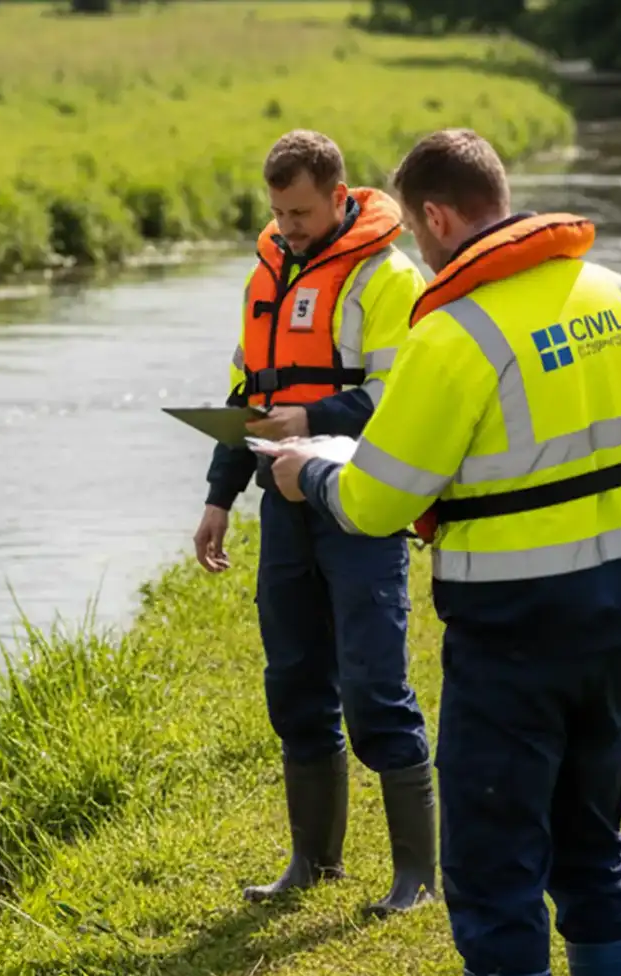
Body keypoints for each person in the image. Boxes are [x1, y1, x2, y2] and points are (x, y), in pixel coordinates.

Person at [257, 129, 621, 976]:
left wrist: (305, 473)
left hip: (512, 633)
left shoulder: (449, 337)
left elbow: (377, 500)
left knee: (494, 863)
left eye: (421, 229)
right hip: (619, 613)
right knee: (591, 848)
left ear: (439, 219)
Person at [193, 129, 436, 916]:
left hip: (358, 501)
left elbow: (401, 393)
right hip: (283, 507)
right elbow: (246, 393)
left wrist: (314, 417)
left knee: (373, 685)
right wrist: (220, 496)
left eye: (299, 212)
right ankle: (313, 862)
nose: (287, 226)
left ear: (339, 196)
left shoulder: (387, 277)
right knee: (294, 680)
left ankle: (415, 878)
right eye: (277, 212)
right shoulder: (265, 271)